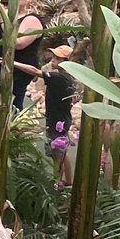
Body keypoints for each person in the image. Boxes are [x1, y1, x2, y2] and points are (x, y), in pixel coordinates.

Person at [15, 42, 77, 184]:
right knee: (63, 151)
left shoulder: (58, 78)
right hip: (62, 119)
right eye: (54, 56)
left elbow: (35, 71)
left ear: (66, 62)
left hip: (57, 122)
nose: (53, 59)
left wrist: (14, 63)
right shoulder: (67, 78)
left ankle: (56, 183)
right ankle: (68, 180)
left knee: (56, 154)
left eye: (58, 58)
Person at [0, 0, 44, 109]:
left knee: (13, 100)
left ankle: (12, 123)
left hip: (18, 67)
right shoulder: (12, 15)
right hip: (0, 64)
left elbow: (18, 43)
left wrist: (4, 22)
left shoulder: (31, 19)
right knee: (1, 100)